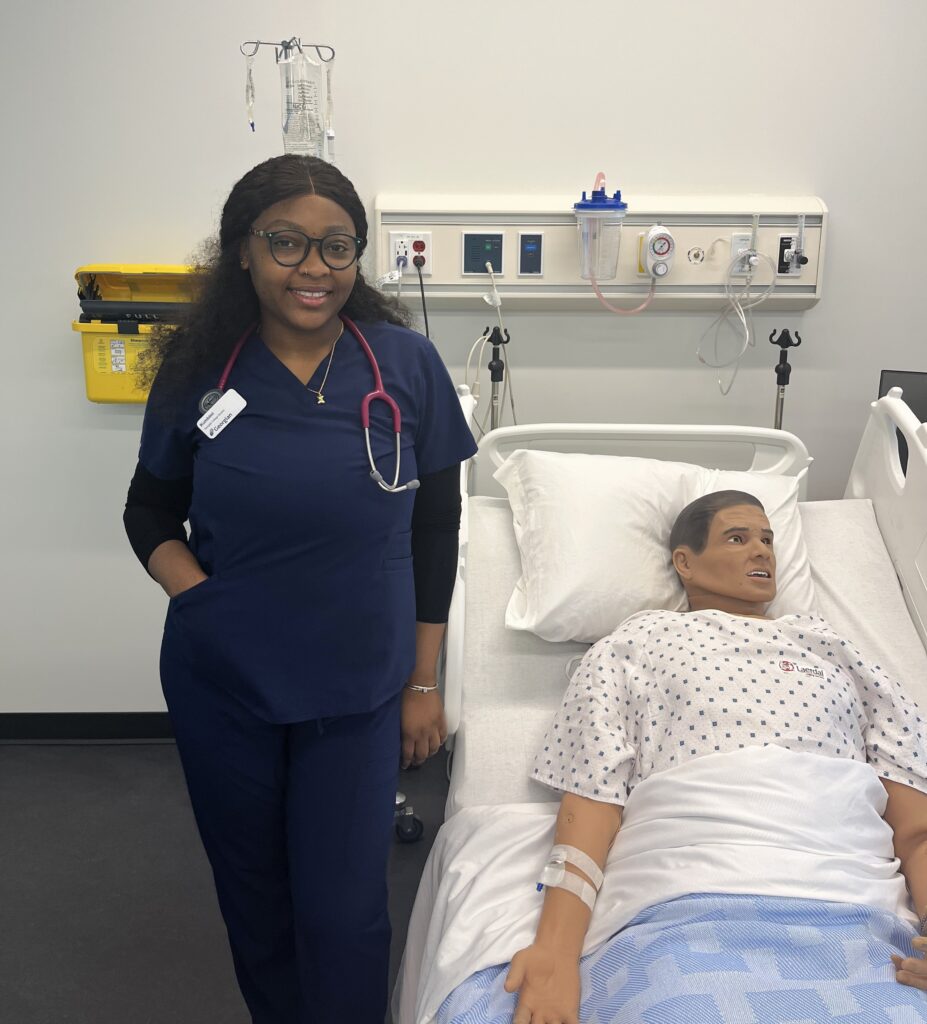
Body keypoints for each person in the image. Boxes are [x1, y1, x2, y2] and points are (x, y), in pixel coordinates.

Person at [123, 154, 477, 1023]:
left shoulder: (406, 365)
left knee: (345, 909)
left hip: (357, 687)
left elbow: (436, 529)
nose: (313, 268)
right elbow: (148, 512)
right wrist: (201, 600)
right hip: (224, 681)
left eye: (336, 246)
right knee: (255, 896)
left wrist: (424, 681)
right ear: (243, 251)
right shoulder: (203, 369)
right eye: (286, 243)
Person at [501, 490, 927, 1024]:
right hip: (689, 898)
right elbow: (592, 798)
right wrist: (556, 952)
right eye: (738, 538)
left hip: (855, 902)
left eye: (769, 541)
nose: (762, 552)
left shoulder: (828, 645)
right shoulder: (638, 640)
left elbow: (915, 826)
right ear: (685, 562)